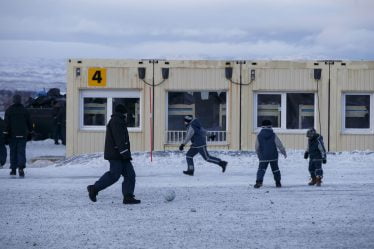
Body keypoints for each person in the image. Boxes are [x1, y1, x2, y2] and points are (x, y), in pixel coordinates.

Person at [87, 104, 140, 204]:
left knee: (130, 175)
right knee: (114, 175)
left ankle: (128, 196)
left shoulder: (119, 120)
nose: (126, 115)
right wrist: (125, 153)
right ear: (123, 112)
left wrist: (125, 154)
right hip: (117, 155)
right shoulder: (116, 121)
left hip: (121, 155)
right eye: (126, 113)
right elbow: (119, 139)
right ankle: (94, 188)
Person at [4, 94, 32, 177]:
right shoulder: (25, 110)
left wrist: (5, 134)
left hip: (12, 135)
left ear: (13, 100)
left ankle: (13, 170)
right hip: (23, 135)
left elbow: (6, 124)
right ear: (20, 100)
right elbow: (29, 123)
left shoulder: (9, 110)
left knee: (13, 152)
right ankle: (21, 169)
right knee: (21, 152)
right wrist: (30, 132)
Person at [254, 120, 287, 188]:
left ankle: (259, 182)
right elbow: (279, 144)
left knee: (261, 169)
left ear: (262, 127)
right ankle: (278, 182)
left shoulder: (259, 136)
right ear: (270, 126)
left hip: (263, 156)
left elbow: (257, 146)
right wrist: (283, 152)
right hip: (273, 156)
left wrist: (258, 154)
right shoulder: (273, 135)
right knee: (275, 169)